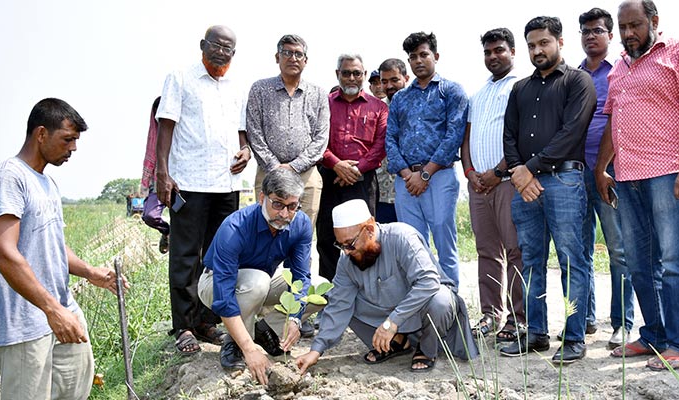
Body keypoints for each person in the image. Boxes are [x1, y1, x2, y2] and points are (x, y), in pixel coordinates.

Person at [0, 98, 129, 399]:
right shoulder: (8, 179)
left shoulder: (47, 184)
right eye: (67, 139)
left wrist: (90, 273)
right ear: (40, 134)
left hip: (63, 313)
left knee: (75, 390)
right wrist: (51, 309)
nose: (73, 148)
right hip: (23, 324)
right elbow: (4, 254)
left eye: (75, 140)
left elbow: (52, 244)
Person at [594, 0, 679, 371]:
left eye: (635, 25)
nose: (628, 34)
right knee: (640, 264)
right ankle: (654, 336)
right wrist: (602, 168)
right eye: (623, 27)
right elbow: (612, 121)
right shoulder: (619, 69)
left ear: (654, 21)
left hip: (667, 173)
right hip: (627, 178)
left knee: (675, 261)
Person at [499, 16, 597, 364]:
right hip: (525, 187)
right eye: (531, 45)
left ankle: (573, 338)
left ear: (559, 42)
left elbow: (571, 133)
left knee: (572, 261)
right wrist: (518, 172)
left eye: (544, 43)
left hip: (565, 182)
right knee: (531, 261)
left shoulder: (578, 81)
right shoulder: (520, 88)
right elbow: (508, 135)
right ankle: (536, 333)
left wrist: (529, 170)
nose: (537, 50)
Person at [296, 199, 478, 374]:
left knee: (441, 300)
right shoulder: (347, 258)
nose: (346, 252)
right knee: (342, 298)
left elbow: (428, 282)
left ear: (368, 229)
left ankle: (426, 348)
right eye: (341, 245)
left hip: (422, 311)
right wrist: (316, 350)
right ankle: (397, 343)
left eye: (350, 244)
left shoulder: (402, 237)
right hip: (390, 318)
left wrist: (392, 322)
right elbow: (339, 304)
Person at [155, 25, 251, 355]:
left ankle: (207, 322)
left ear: (234, 54)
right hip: (189, 181)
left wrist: (246, 150)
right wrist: (162, 172)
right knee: (185, 255)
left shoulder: (238, 84)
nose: (222, 52)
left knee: (219, 254)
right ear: (203, 45)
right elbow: (165, 125)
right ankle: (183, 325)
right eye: (217, 46)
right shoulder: (180, 78)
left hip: (227, 183)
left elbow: (241, 131)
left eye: (229, 48)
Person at [197, 168, 323, 385]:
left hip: (261, 282)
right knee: (257, 282)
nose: (284, 214)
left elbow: (301, 276)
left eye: (292, 206)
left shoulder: (300, 223)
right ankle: (237, 343)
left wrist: (294, 317)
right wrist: (249, 349)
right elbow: (224, 297)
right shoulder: (235, 227)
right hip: (214, 283)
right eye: (277, 204)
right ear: (262, 197)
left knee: (319, 289)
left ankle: (264, 330)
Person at [386, 32, 468, 288]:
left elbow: (454, 134)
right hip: (405, 180)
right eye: (413, 57)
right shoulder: (400, 98)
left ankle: (450, 299)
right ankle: (423, 297)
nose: (418, 61)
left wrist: (425, 174)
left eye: (424, 54)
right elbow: (390, 139)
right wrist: (407, 175)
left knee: (444, 238)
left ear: (436, 56)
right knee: (412, 243)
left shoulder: (451, 91)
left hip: (439, 176)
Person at [460, 27, 525, 343]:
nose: (493, 56)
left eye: (499, 50)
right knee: (487, 251)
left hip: (508, 182)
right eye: (487, 52)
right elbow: (467, 138)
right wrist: (471, 172)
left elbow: (523, 139)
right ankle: (490, 314)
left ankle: (518, 319)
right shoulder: (479, 93)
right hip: (478, 186)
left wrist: (497, 173)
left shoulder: (521, 87)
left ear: (513, 51)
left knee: (515, 251)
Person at [576, 7, 634, 349]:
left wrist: (606, 167)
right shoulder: (572, 75)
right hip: (574, 172)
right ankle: (584, 318)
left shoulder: (623, 70)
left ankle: (622, 324)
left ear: (610, 36)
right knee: (578, 250)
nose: (590, 36)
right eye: (585, 31)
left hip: (611, 172)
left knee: (618, 250)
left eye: (597, 30)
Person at [246, 34, 330, 230]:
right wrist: (276, 167)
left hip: (307, 176)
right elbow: (254, 132)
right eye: (287, 53)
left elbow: (321, 137)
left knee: (302, 235)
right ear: (277, 57)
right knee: (267, 233)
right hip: (268, 173)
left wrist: (293, 167)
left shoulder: (318, 93)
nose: (293, 58)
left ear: (305, 60)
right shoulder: (260, 89)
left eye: (298, 54)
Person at [316, 54, 387, 282]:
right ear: (337, 74)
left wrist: (356, 170)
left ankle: (366, 295)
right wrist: (336, 165)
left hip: (363, 180)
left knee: (364, 239)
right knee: (327, 238)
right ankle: (328, 298)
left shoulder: (378, 108)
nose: (351, 78)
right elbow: (317, 140)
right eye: (346, 73)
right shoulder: (323, 104)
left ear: (364, 76)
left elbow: (380, 144)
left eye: (357, 73)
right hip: (329, 177)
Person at [374, 58, 410, 224]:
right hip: (382, 189)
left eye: (394, 80)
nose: (389, 86)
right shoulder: (376, 109)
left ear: (406, 78)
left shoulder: (417, 105)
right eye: (384, 81)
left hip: (413, 185)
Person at [140, 96, 171, 254]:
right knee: (149, 215)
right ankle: (167, 231)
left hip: (183, 183)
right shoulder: (155, 134)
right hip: (159, 181)